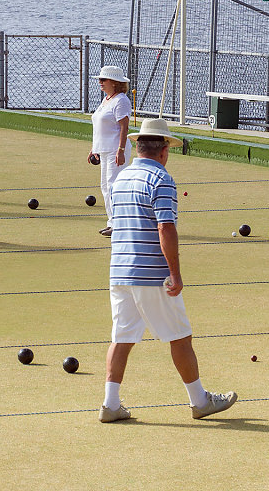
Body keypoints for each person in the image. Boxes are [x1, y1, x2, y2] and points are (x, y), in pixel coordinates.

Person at [98, 118, 236, 423]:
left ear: (138, 148)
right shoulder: (161, 180)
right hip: (151, 274)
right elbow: (165, 228)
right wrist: (175, 273)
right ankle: (199, 401)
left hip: (119, 271)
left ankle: (110, 404)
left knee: (121, 338)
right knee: (180, 336)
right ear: (164, 151)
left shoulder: (120, 179)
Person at [89, 65, 133, 237]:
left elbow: (124, 127)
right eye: (100, 79)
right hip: (104, 149)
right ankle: (112, 222)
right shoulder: (107, 99)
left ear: (114, 82)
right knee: (105, 187)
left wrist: (120, 150)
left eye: (103, 79)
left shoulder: (121, 100)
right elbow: (100, 127)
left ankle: (120, 224)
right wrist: (94, 149)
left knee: (114, 186)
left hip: (115, 149)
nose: (100, 82)